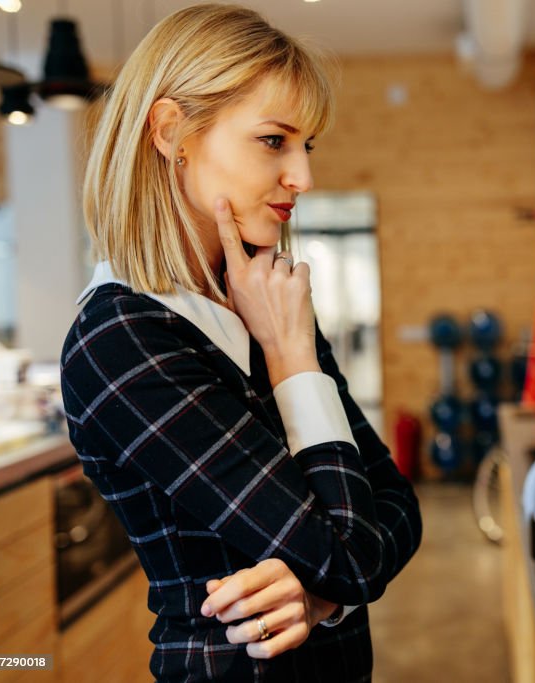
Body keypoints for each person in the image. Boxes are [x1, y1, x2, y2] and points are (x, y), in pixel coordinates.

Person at [59, 5, 422, 681]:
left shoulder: (258, 297)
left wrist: (320, 597)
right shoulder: (121, 340)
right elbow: (353, 554)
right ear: (172, 132)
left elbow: (396, 507)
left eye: (306, 145)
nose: (303, 177)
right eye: (273, 140)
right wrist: (291, 357)